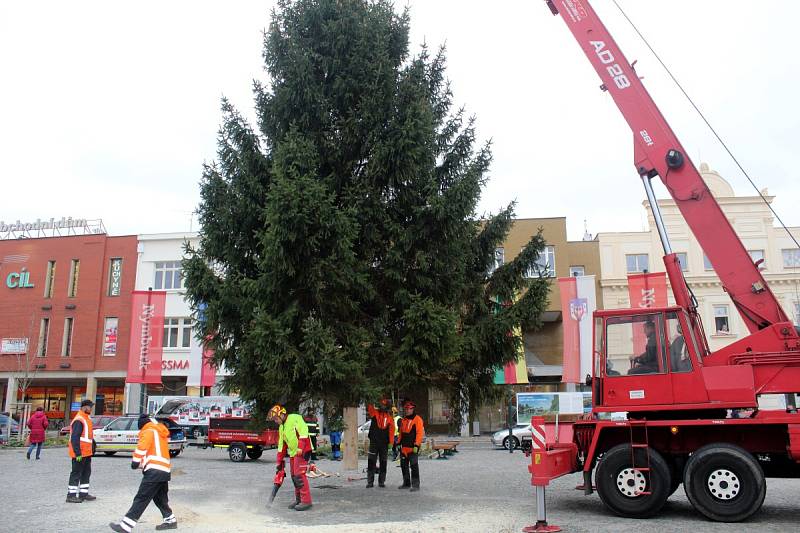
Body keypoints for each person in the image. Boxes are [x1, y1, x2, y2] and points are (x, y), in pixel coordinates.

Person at [110, 415, 177, 532]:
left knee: (141, 498)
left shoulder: (148, 430)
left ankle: (126, 526)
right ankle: (170, 520)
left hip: (154, 470)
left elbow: (142, 447)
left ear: (142, 425)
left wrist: (135, 462)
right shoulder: (158, 431)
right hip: (164, 470)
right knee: (160, 498)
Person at [269, 404, 313, 511]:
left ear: (282, 415)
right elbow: (282, 445)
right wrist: (279, 462)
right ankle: (299, 499)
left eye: (276, 418)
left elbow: (303, 431)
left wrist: (300, 447)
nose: (275, 421)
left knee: (299, 475)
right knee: (294, 476)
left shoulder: (294, 418)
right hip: (294, 453)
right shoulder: (281, 427)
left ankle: (306, 501)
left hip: (303, 450)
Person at [67, 399, 96, 503]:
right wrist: (77, 453)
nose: (91, 409)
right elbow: (75, 437)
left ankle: (84, 494)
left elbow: (88, 438)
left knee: (86, 473)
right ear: (85, 407)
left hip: (86, 453)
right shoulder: (79, 420)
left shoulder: (86, 418)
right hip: (80, 453)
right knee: (76, 473)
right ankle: (71, 495)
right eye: (90, 407)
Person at [366, 399, 395, 488]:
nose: (383, 407)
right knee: (371, 462)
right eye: (381, 405)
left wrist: (391, 442)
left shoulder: (389, 417)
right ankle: (370, 482)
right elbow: (370, 407)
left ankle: (381, 481)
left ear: (387, 407)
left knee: (383, 462)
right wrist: (371, 397)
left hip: (384, 443)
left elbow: (391, 430)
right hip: (374, 442)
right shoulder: (374, 413)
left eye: (384, 405)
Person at [397, 400, 424, 492]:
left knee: (414, 466)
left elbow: (419, 433)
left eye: (409, 409)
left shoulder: (418, 419)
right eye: (406, 409)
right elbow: (401, 433)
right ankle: (406, 483)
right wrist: (398, 443)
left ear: (413, 409)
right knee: (403, 466)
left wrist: (417, 445)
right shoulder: (404, 420)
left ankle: (416, 485)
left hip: (413, 448)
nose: (407, 410)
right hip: (404, 448)